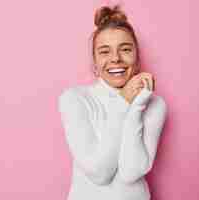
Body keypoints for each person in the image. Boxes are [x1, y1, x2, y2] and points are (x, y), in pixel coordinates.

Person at [58, 5, 168, 200]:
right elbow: (100, 173)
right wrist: (124, 100)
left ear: (137, 56)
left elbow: (131, 171)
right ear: (94, 62)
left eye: (125, 49)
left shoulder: (154, 104)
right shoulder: (74, 99)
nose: (115, 58)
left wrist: (136, 106)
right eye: (104, 51)